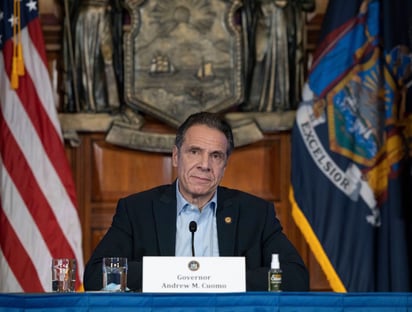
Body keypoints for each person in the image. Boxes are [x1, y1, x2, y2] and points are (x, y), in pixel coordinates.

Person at [83, 112, 309, 291]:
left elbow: (296, 277)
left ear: (224, 165)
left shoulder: (256, 214)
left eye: (216, 156)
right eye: (194, 151)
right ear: (175, 156)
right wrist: (173, 275)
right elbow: (96, 275)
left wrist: (221, 277)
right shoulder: (136, 211)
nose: (204, 164)